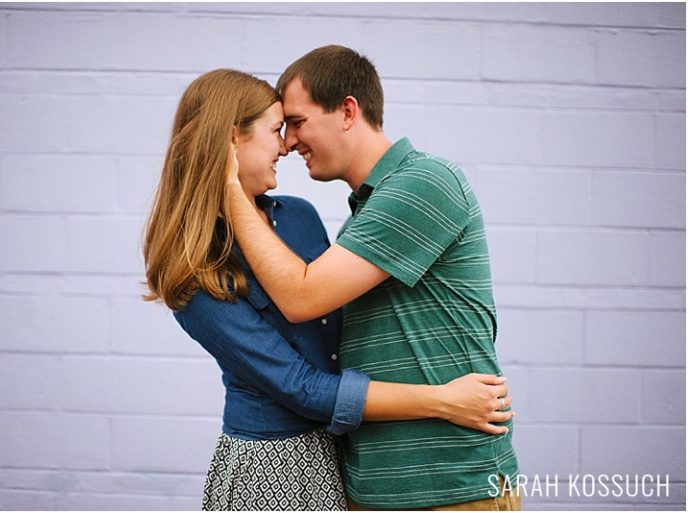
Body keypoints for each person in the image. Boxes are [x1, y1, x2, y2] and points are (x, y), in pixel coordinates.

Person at [143, 69, 515, 511]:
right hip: (272, 466)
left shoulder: (299, 216)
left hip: (342, 455)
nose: (285, 145)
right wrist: (440, 400)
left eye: (292, 126)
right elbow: (300, 385)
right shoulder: (193, 269)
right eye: (277, 130)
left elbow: (328, 321)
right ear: (230, 140)